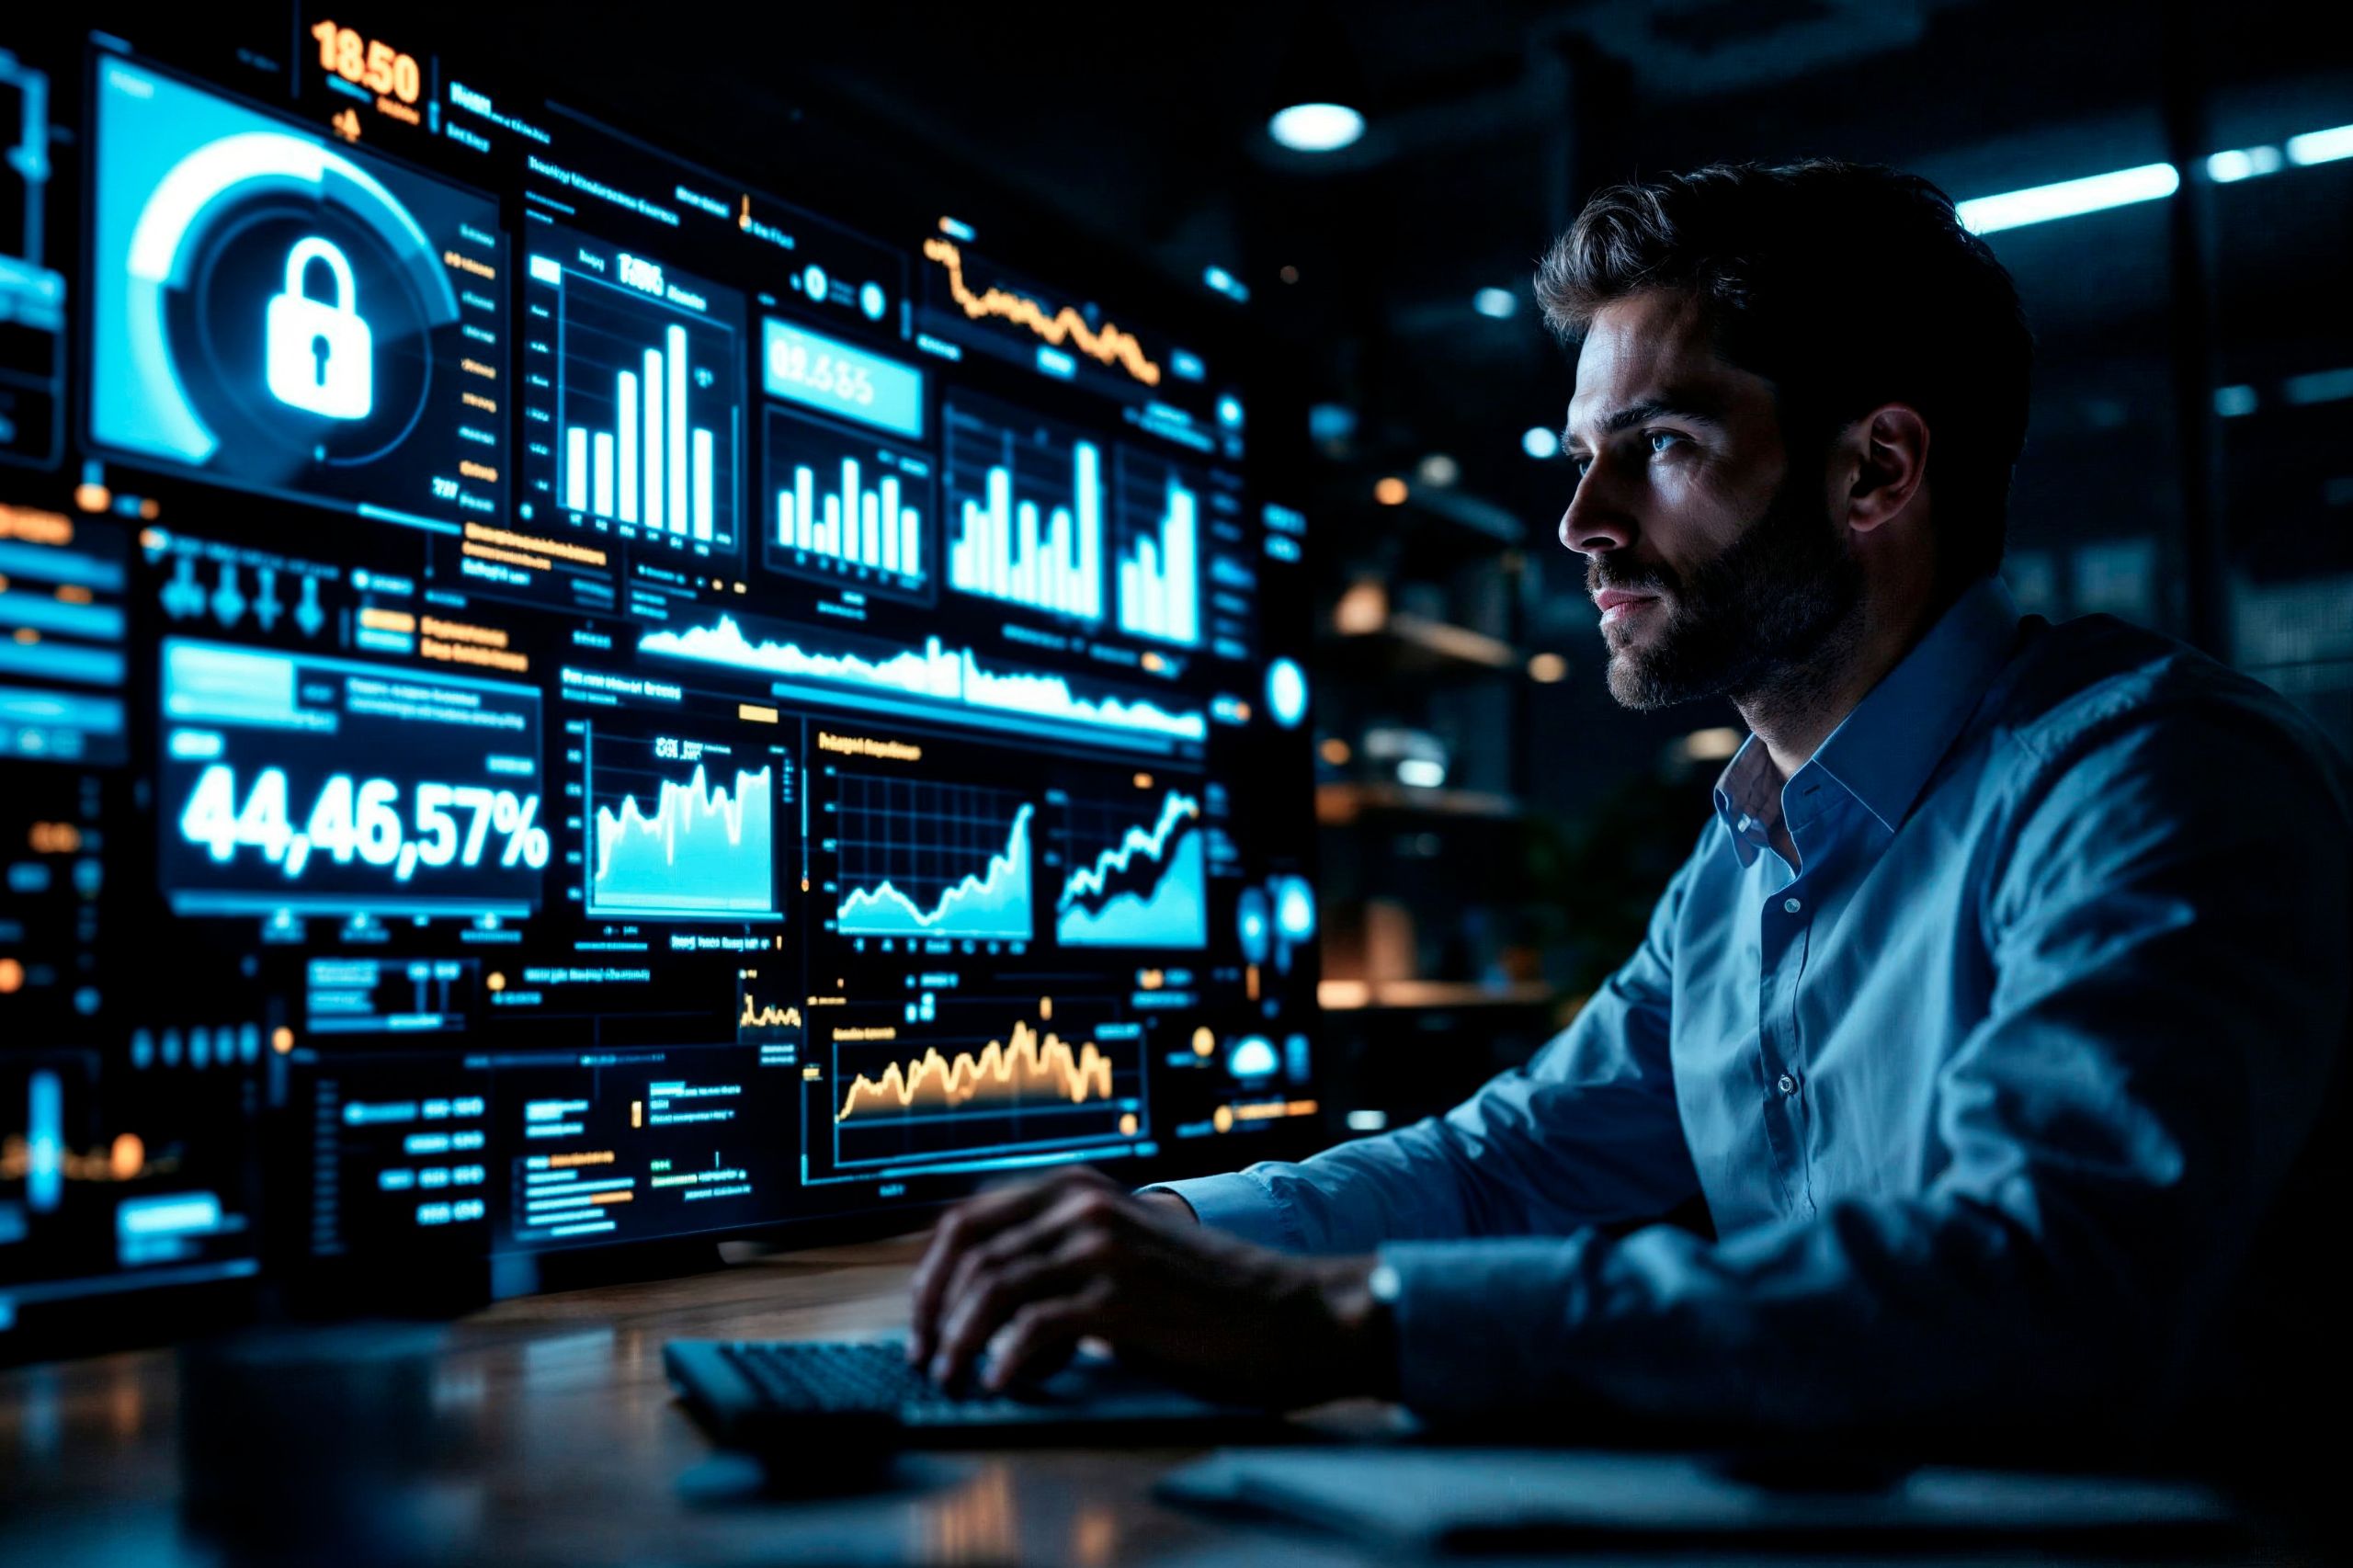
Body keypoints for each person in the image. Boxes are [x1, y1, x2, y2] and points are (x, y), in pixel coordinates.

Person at [904, 160, 2353, 1442]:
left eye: (1658, 443)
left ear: (1876, 469)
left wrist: (1349, 1320)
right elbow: (1510, 1159)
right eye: (1580, 455)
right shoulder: (1741, 863)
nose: (1581, 521)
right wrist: (1158, 1228)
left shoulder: (2155, 781)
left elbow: (2045, 1288)